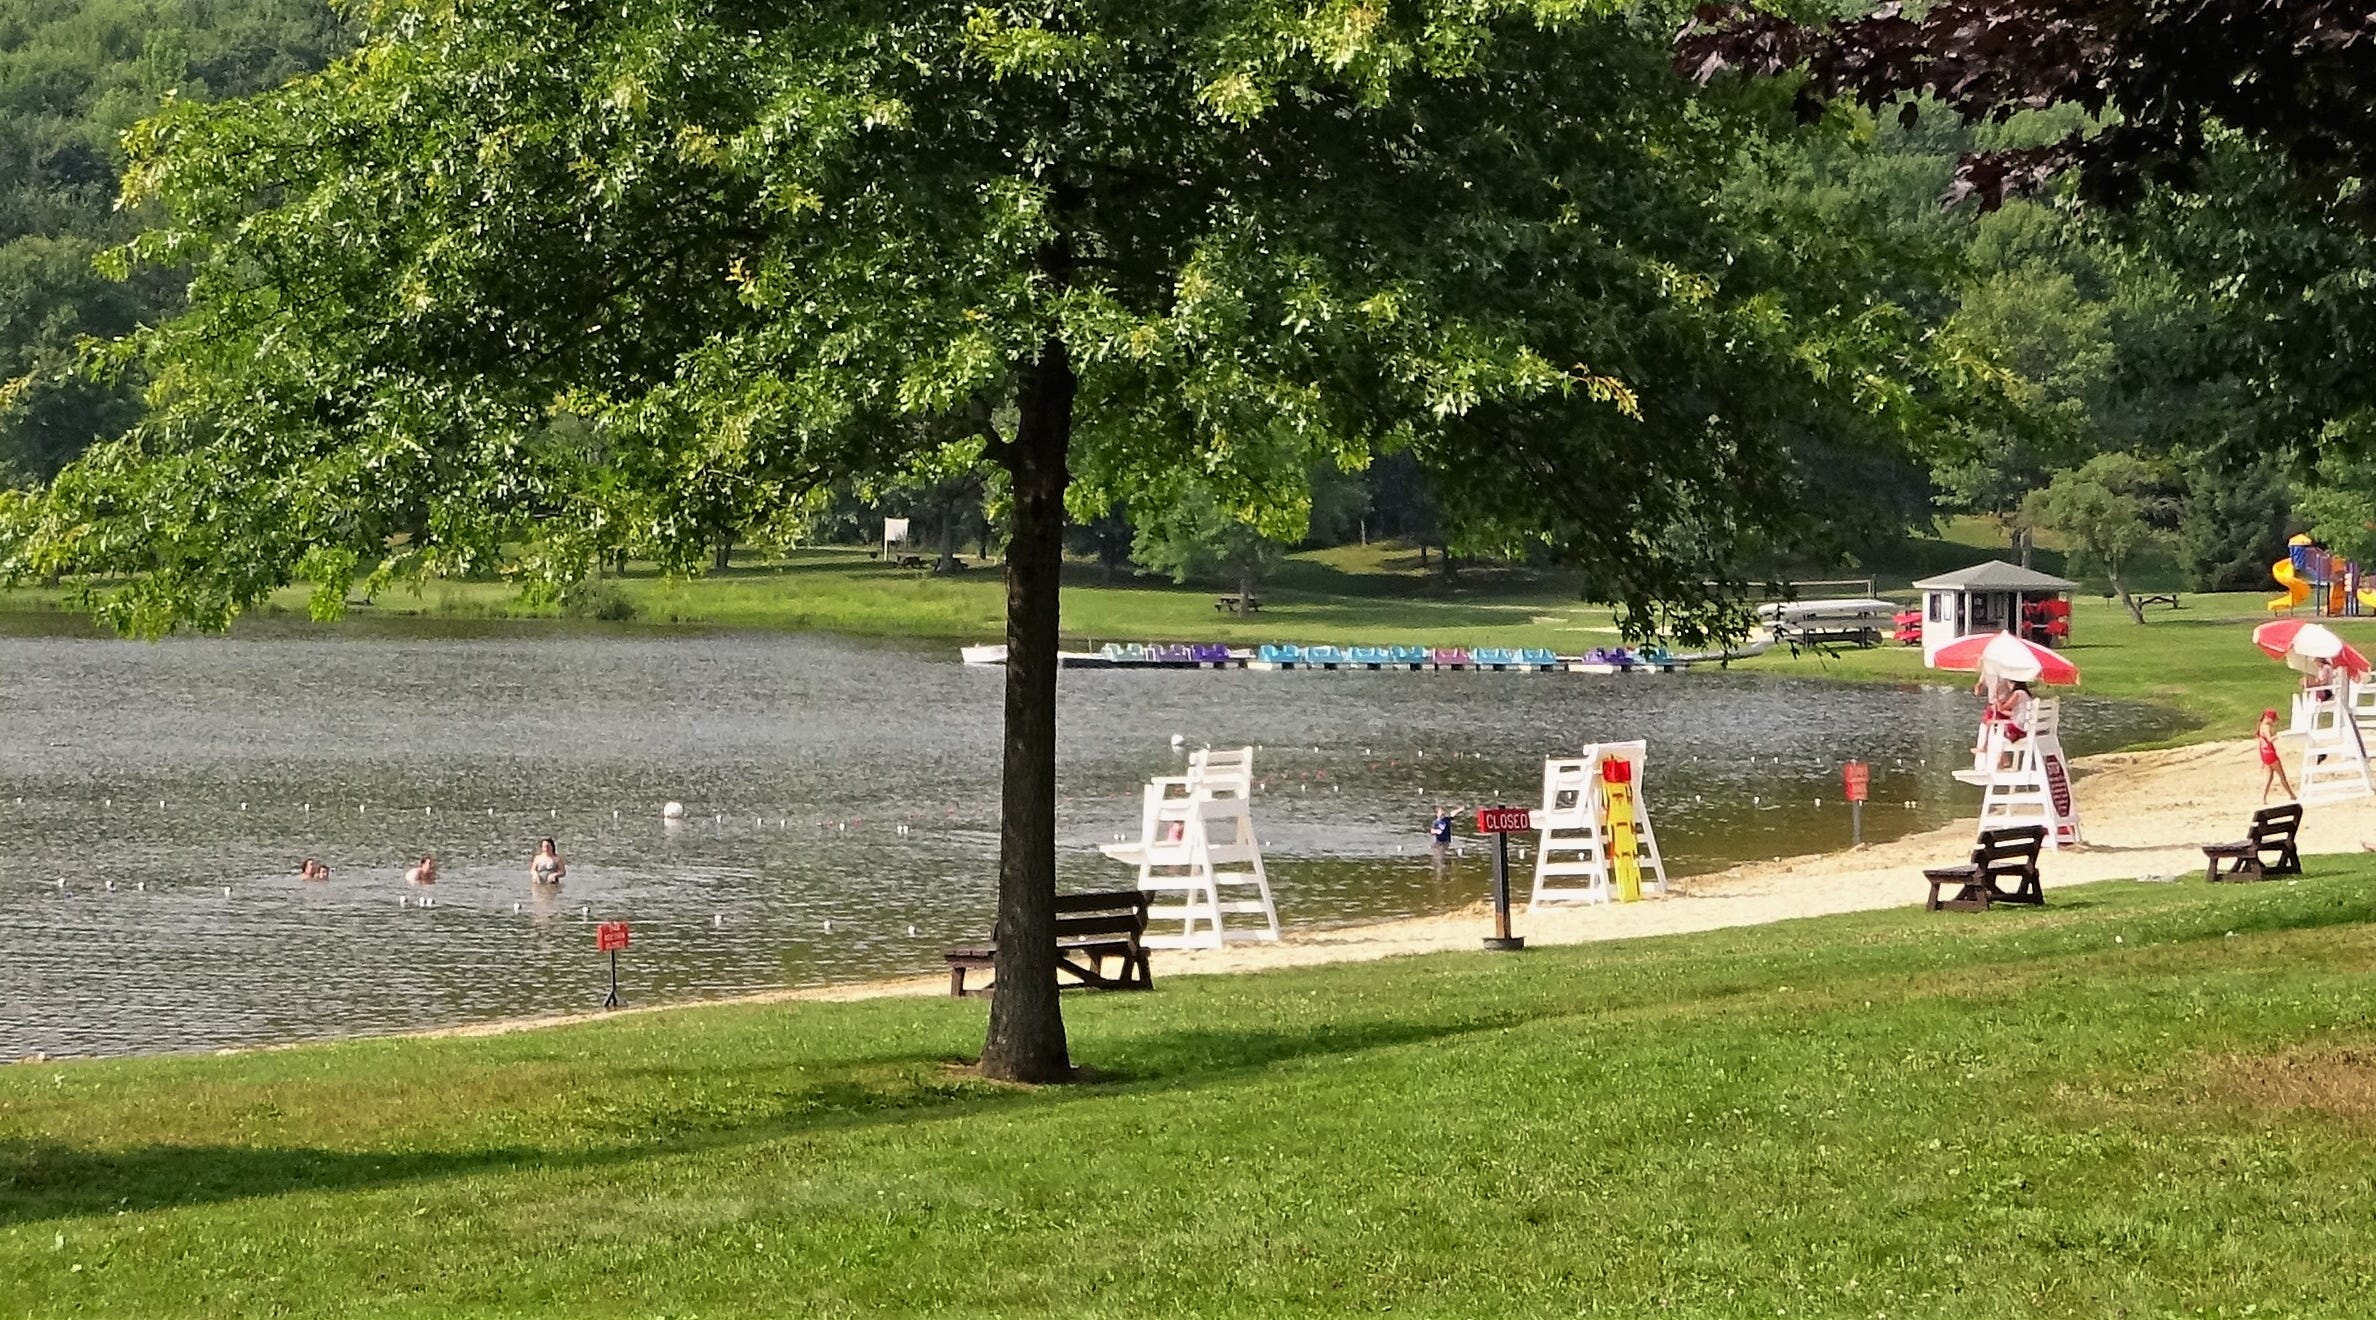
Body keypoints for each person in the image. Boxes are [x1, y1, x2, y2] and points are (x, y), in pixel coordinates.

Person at [2258, 708, 2296, 803]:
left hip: (2265, 754)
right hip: (2270, 754)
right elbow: (2269, 739)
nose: (2274, 722)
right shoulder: (2266, 727)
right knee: (2282, 776)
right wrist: (2279, 735)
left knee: (2269, 777)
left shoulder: (2261, 726)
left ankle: (2263, 797)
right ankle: (2292, 795)